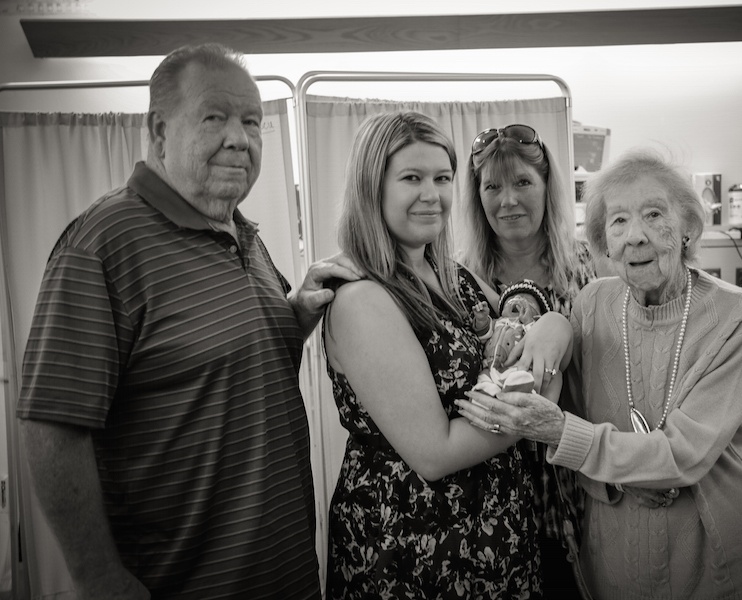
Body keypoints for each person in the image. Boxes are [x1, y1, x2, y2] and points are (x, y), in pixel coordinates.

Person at [16, 43, 360, 600]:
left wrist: (294, 312)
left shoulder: (242, 232)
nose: (239, 138)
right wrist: (98, 577)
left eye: (252, 122)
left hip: (288, 572)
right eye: (214, 118)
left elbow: (232, 361)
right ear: (158, 131)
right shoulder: (103, 246)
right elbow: (51, 427)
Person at [457, 149, 742, 599]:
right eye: (618, 222)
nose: (635, 236)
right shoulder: (593, 303)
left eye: (654, 214)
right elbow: (573, 413)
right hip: (617, 553)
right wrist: (618, 474)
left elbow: (685, 453)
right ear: (604, 245)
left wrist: (564, 434)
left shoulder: (739, 315)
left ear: (688, 227)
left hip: (719, 553)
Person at [323, 111, 570, 599]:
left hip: (499, 533)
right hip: (418, 545)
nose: (431, 194)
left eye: (442, 177)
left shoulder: (458, 278)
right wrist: (536, 414)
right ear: (373, 187)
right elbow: (436, 454)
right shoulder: (364, 299)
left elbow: (530, 356)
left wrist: (556, 326)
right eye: (411, 178)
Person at [458, 123, 599, 594]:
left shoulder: (588, 265)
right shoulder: (459, 278)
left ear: (546, 187)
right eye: (492, 186)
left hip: (576, 471)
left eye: (522, 183)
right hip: (490, 481)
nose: (508, 200)